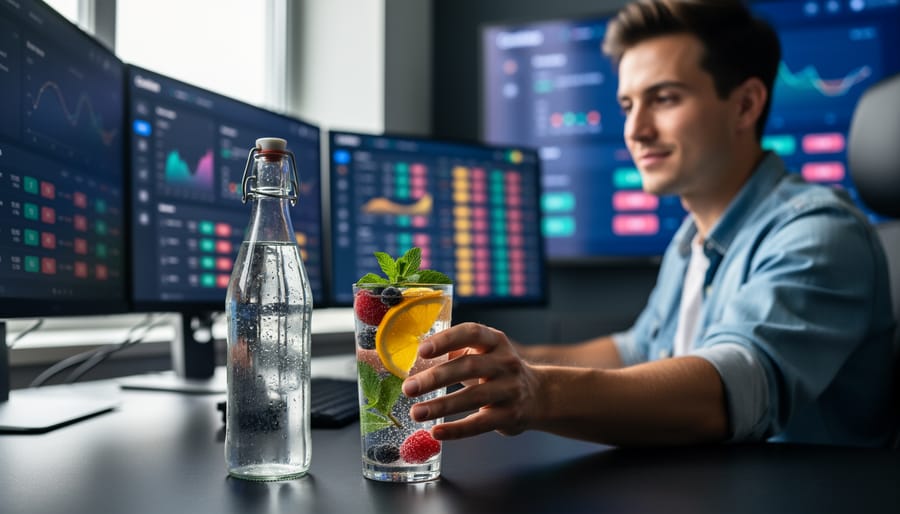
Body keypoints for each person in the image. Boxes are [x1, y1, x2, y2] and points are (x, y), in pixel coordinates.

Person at [403, 0, 896, 447]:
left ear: (745, 104)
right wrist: (492, 362)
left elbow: (732, 387)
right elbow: (637, 350)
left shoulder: (818, 234)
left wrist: (537, 391)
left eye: (663, 99)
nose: (635, 131)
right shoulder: (695, 237)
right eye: (628, 105)